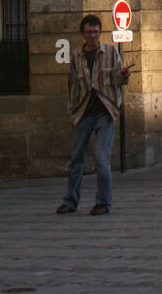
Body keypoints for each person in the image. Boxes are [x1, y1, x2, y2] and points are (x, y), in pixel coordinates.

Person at [57, 14, 133, 216]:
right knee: (76, 159)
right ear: (83, 34)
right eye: (89, 32)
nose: (93, 36)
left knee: (101, 158)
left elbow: (117, 80)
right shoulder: (75, 56)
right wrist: (72, 113)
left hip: (105, 112)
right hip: (82, 112)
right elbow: (72, 86)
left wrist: (123, 75)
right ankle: (70, 201)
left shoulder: (110, 52)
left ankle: (103, 203)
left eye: (96, 32)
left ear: (100, 33)